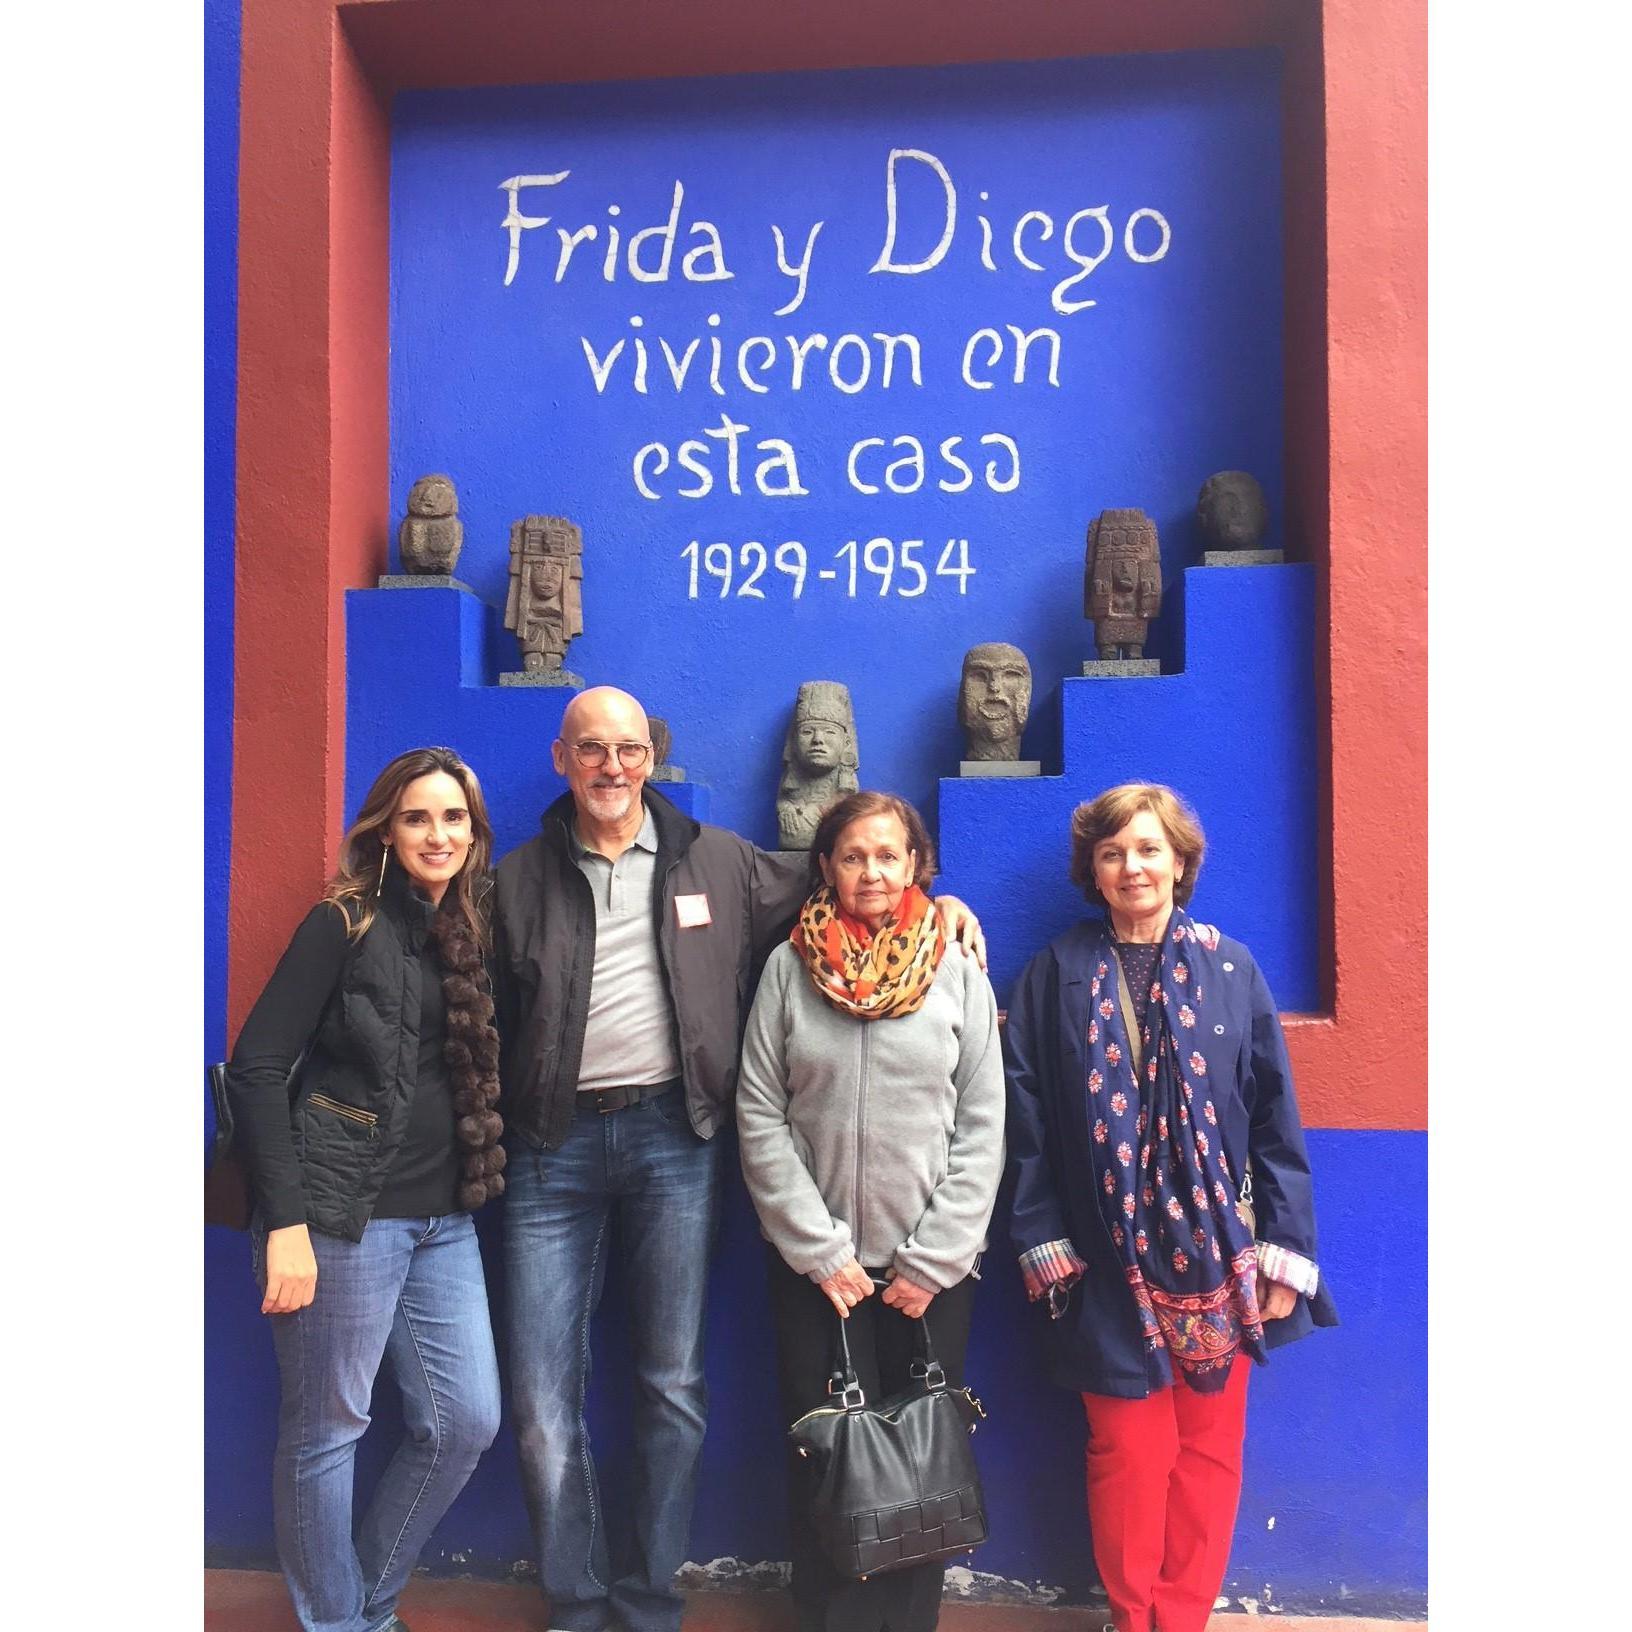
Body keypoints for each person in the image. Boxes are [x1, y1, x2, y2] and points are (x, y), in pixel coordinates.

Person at [491, 687, 986, 1632]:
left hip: (676, 1143)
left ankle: (647, 1602)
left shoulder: (716, 860)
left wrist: (944, 900)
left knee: (671, 1385)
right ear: (562, 758)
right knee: (543, 1400)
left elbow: (856, 876)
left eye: (628, 749)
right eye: (591, 749)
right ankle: (576, 1598)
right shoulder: (513, 881)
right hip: (549, 1157)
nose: (611, 767)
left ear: (652, 756)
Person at [1003, 783, 1337, 1632]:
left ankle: (1181, 1617)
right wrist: (1044, 1240)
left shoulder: (1231, 968)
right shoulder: (1057, 973)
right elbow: (1028, 1126)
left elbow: (1273, 1121)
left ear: (1180, 862)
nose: (1132, 866)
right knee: (1125, 1450)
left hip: (1219, 1260)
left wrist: (1284, 1254)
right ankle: (1132, 1613)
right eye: (1113, 852)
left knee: (1209, 1453)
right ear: (1094, 870)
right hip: (1104, 1258)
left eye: (1149, 849)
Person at [226, 746, 507, 1632]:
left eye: (453, 817)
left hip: (443, 1220)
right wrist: (288, 1223)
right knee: (326, 1432)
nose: (438, 834)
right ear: (385, 827)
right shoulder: (341, 921)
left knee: (465, 1424)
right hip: (344, 1217)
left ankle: (367, 1606)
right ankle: (340, 1624)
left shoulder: (467, 927)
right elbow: (257, 1068)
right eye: (418, 816)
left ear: (473, 831)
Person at [736, 790, 1005, 1632]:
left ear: (916, 864)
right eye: (853, 856)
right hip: (821, 1273)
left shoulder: (957, 972)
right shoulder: (787, 969)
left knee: (921, 1465)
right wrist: (818, 1249)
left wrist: (935, 1259)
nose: (872, 872)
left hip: (930, 1275)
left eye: (889, 855)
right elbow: (759, 1112)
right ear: (826, 868)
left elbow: (984, 1121)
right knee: (826, 1462)